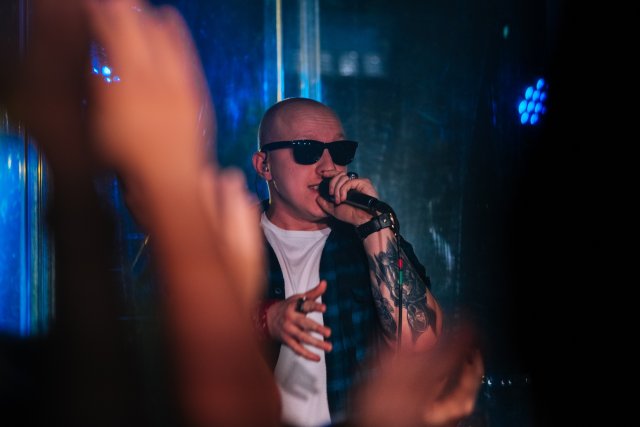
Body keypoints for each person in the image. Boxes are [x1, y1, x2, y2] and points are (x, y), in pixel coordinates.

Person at [252, 97, 444, 426]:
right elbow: (179, 340)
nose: (329, 167)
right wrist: (266, 318)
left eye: (340, 152)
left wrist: (372, 228)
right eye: (307, 150)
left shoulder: (367, 236)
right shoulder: (231, 241)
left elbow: (421, 344)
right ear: (264, 165)